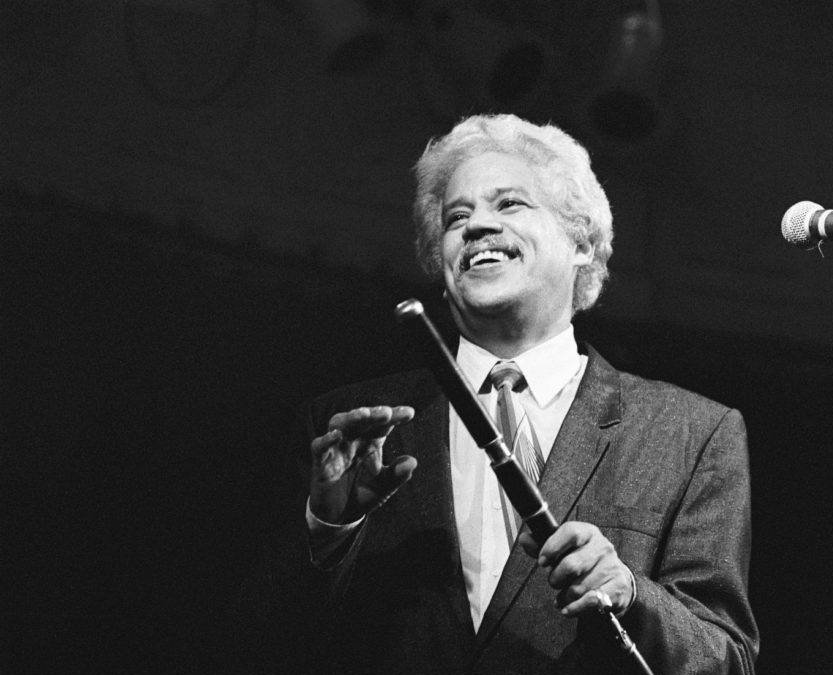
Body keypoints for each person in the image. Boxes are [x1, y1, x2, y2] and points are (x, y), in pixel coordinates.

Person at [263, 114, 756, 674]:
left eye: (510, 204)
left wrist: (631, 596)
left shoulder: (691, 432)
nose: (476, 227)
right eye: (456, 217)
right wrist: (328, 532)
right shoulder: (347, 428)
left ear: (581, 243)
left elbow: (726, 661)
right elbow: (264, 640)